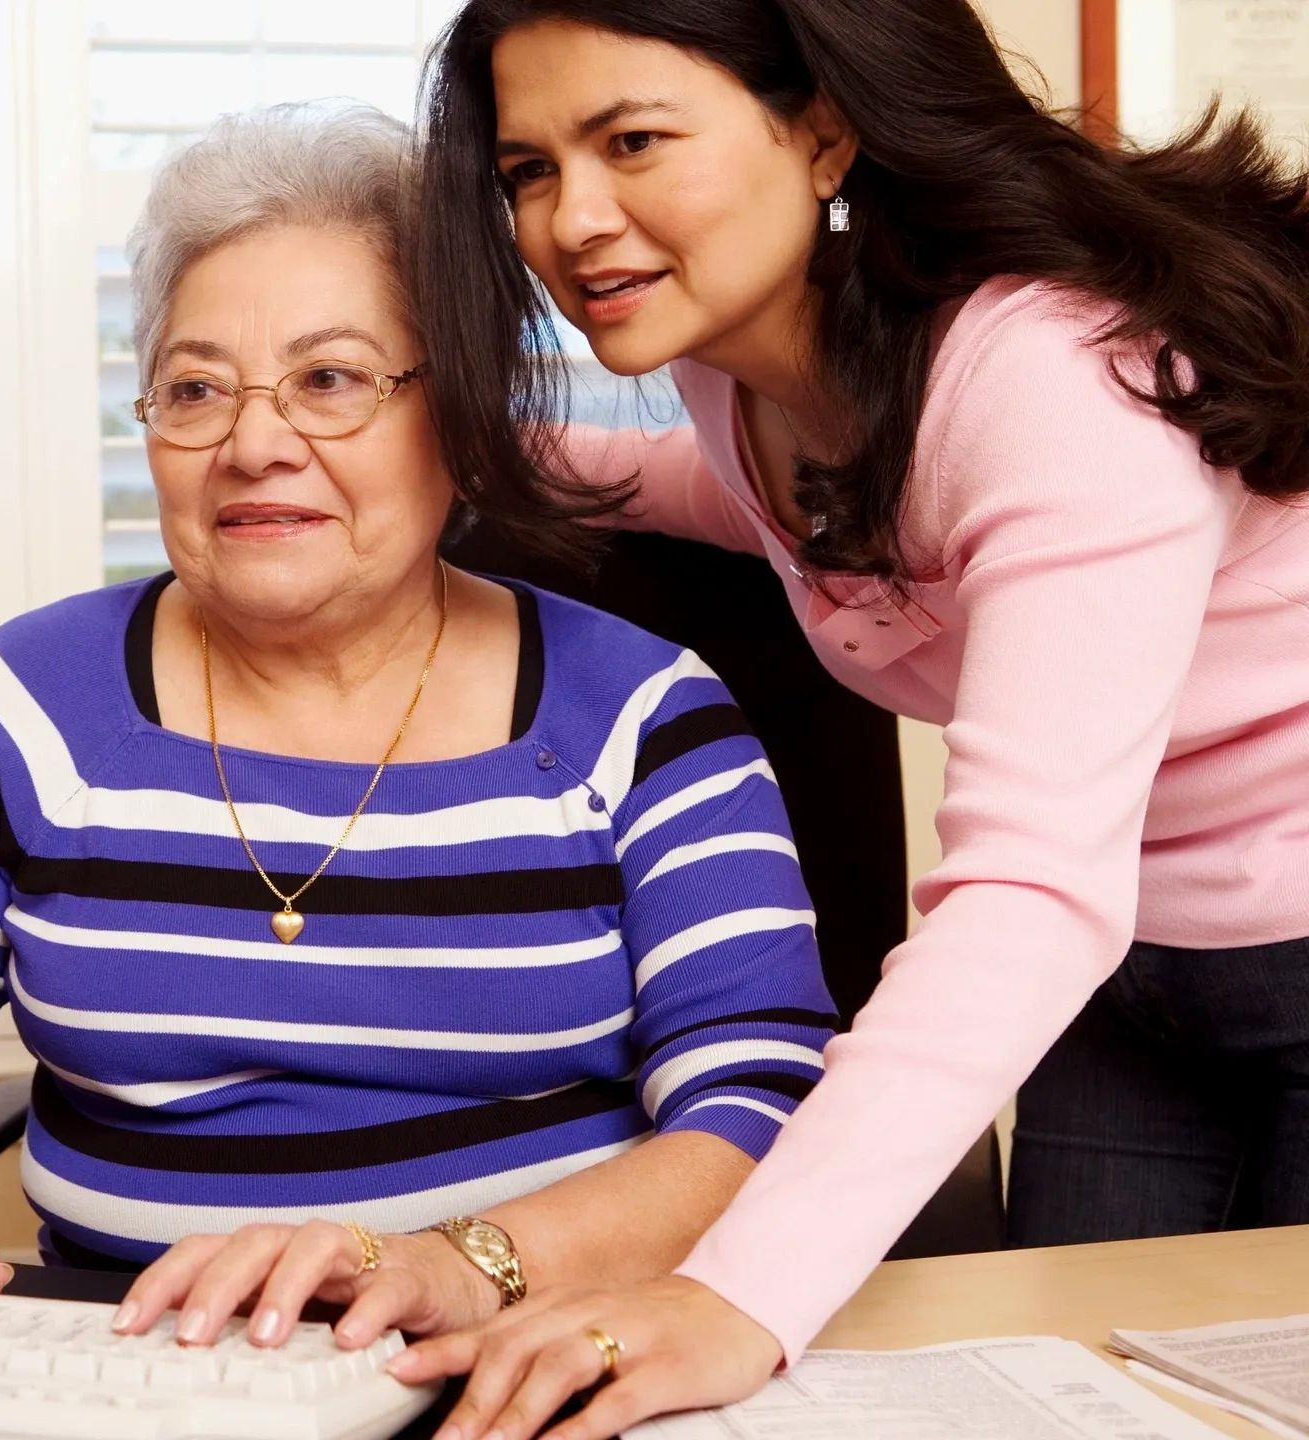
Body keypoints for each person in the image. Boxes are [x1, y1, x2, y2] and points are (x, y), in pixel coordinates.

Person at [0, 105, 837, 1363]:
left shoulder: (640, 715)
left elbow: (767, 1102)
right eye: (195, 390)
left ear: (461, 416)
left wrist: (467, 1267)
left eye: (330, 380)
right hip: (139, 1377)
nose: (252, 444)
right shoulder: (34, 702)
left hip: (526, 1360)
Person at [381, 3, 1309, 1437]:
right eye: (528, 172)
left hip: (1247, 935)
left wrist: (732, 1296)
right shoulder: (739, 374)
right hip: (1124, 981)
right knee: (1079, 1398)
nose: (574, 220)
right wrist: (429, 438)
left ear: (823, 128)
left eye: (632, 140)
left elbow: (1028, 886)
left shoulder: (1047, 375)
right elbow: (747, 511)